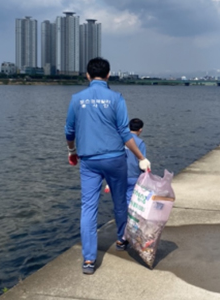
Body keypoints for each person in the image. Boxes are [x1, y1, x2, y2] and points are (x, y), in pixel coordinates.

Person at [65, 57, 151, 275]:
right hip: (115, 159)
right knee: (120, 201)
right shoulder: (116, 98)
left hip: (89, 160)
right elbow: (124, 132)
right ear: (108, 75)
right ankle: (122, 240)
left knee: (88, 207)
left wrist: (72, 151)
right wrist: (141, 157)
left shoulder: (77, 99)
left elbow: (69, 131)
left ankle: (88, 260)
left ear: (87, 75)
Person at [125, 118, 147, 205]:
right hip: (133, 175)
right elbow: (143, 162)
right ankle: (128, 217)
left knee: (119, 197)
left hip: (120, 174)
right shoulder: (140, 143)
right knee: (130, 197)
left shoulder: (121, 140)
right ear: (140, 130)